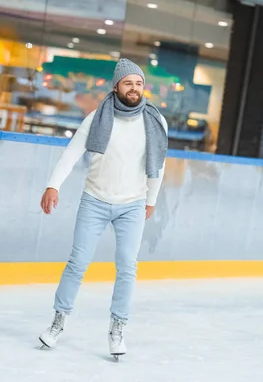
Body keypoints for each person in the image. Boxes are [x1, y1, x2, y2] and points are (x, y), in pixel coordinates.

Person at [38, 58, 168, 358]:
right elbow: (72, 153)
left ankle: (117, 328)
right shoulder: (97, 117)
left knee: (127, 266)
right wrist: (53, 185)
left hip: (132, 205)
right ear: (116, 86)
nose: (134, 88)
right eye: (128, 83)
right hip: (94, 200)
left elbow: (157, 166)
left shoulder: (154, 120)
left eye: (138, 83)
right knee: (78, 262)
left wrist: (150, 200)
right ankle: (58, 321)